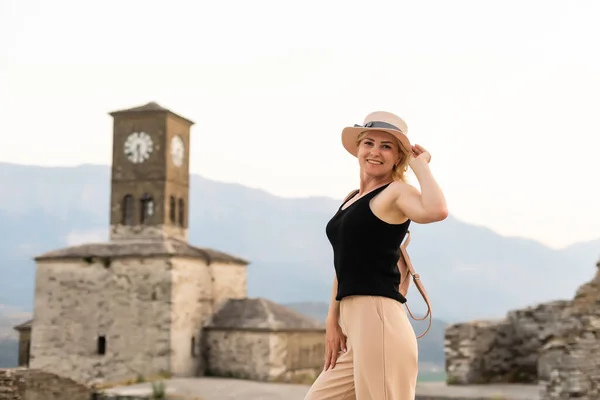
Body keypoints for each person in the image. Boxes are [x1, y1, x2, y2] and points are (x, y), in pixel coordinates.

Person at [304, 111, 448, 400]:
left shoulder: (396, 192)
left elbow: (436, 210)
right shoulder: (351, 198)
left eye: (386, 146)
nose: (375, 152)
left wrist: (421, 167)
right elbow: (343, 263)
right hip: (352, 321)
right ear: (358, 148)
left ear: (398, 158)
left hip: (379, 319)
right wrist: (332, 322)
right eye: (369, 143)